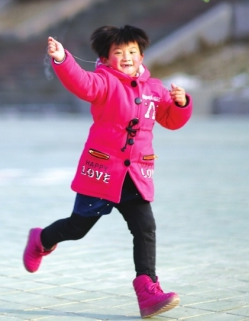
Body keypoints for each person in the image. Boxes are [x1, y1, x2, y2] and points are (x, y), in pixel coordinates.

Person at [23, 25, 192, 318]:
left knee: (145, 228)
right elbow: (82, 83)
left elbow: (170, 119)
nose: (126, 57)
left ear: (141, 55)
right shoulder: (104, 81)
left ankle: (148, 290)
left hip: (136, 176)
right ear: (106, 57)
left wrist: (180, 103)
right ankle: (41, 240)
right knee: (77, 228)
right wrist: (63, 59)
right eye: (118, 52)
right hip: (102, 172)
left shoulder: (155, 88)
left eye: (132, 52)